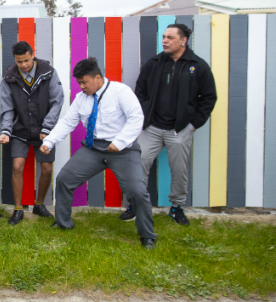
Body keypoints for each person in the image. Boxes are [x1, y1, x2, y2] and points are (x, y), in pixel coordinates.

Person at [40, 57, 157, 249]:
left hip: (122, 150)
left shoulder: (121, 92)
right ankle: (63, 223)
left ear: (97, 78)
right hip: (93, 149)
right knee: (64, 179)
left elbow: (136, 119)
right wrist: (49, 141)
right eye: (79, 83)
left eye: (84, 82)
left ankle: (148, 235)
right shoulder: (81, 99)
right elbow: (68, 122)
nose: (81, 87)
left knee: (137, 191)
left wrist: (118, 143)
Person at [128, 24, 217, 225]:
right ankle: (135, 204)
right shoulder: (155, 63)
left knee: (179, 169)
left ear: (183, 40)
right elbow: (140, 91)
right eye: (164, 37)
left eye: (170, 37)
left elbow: (208, 97)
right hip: (152, 127)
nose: (165, 41)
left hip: (180, 129)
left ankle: (176, 208)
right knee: (138, 161)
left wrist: (193, 124)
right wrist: (144, 117)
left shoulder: (198, 66)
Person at [0, 41, 63, 225]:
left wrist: (47, 128)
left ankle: (39, 205)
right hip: (20, 131)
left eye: (26, 60)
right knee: (17, 166)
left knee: (47, 168)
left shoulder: (48, 72)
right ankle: (18, 210)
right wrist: (6, 130)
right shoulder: (9, 76)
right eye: (19, 62)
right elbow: (7, 107)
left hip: (45, 130)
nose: (24, 65)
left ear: (32, 55)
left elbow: (57, 101)